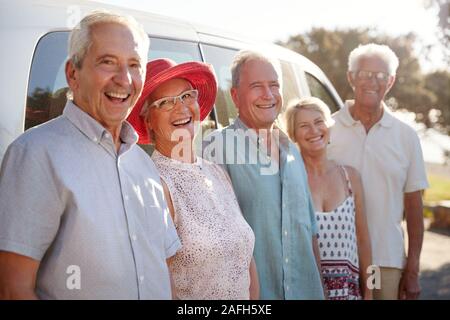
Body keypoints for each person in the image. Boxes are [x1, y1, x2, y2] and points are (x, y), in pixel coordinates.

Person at [0, 11, 181, 299]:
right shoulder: (34, 155)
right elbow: (13, 289)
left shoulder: (144, 165)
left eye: (134, 65)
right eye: (107, 62)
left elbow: (163, 273)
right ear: (73, 73)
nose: (124, 79)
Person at [127, 58, 258, 300]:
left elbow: (246, 260)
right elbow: (160, 290)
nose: (182, 108)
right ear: (148, 121)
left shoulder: (217, 173)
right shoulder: (154, 185)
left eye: (187, 96)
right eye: (165, 102)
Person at [202, 50, 324, 299]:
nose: (268, 95)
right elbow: (213, 243)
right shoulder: (216, 148)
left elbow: (309, 234)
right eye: (256, 86)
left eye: (274, 85)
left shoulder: (293, 152)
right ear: (235, 96)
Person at [328, 43, 429, 300]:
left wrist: (413, 270)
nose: (372, 81)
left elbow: (415, 208)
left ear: (391, 81)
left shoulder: (406, 137)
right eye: (364, 74)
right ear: (351, 77)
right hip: (335, 256)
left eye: (381, 76)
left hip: (384, 262)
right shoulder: (327, 128)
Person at [284, 97, 372, 300]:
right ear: (293, 135)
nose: (314, 131)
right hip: (305, 293)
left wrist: (370, 291)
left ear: (329, 127)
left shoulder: (351, 177)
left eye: (318, 122)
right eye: (304, 126)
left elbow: (364, 240)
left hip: (348, 293)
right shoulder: (290, 180)